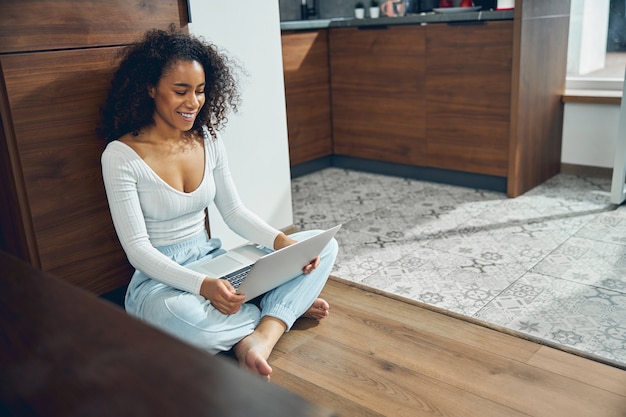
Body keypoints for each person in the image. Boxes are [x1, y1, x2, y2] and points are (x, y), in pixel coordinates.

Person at [98, 27, 338, 381]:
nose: (193, 102)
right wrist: (203, 286)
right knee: (183, 321)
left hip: (218, 263)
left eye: (199, 90)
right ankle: (278, 314)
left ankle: (261, 334)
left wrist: (282, 244)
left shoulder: (207, 138)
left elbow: (234, 212)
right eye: (180, 91)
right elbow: (138, 251)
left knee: (323, 246)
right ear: (150, 88)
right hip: (162, 283)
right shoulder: (120, 156)